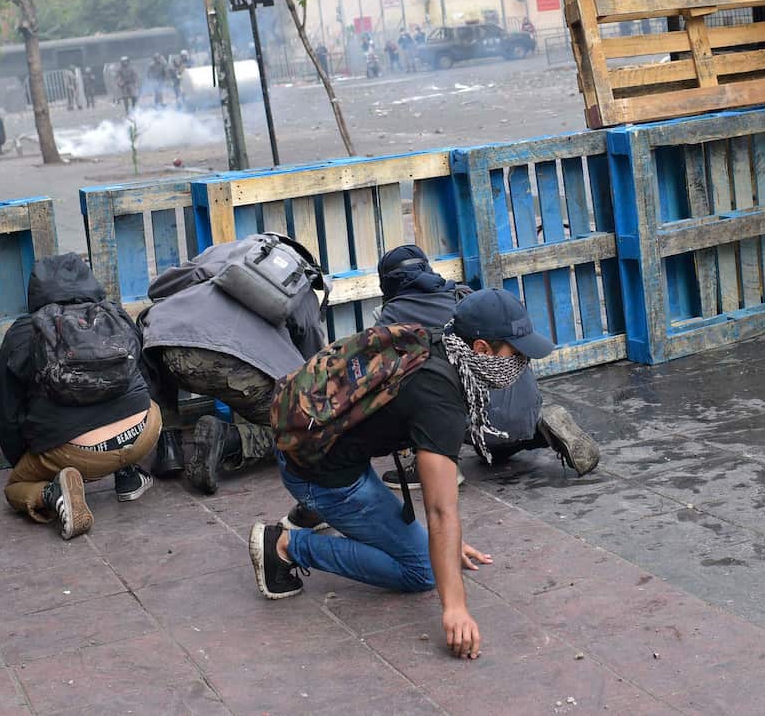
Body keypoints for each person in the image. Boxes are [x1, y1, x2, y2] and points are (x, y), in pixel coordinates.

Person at [252, 289, 555, 659]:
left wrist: (444, 543)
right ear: (482, 349)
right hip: (320, 474)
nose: (522, 363)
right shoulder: (439, 401)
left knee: (428, 546)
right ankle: (285, 546)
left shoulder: (435, 343)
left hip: (319, 449)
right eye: (516, 353)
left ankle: (318, 513)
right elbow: (440, 511)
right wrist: (455, 607)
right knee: (420, 570)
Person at [371, 245, 598, 485]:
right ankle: (537, 429)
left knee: (412, 381)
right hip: (524, 410)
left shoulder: (393, 315)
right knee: (490, 444)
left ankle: (439, 462)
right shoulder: (465, 295)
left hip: (473, 415)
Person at [0, 254, 159, 540]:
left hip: (77, 453)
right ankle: (128, 474)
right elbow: (145, 378)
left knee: (14, 488)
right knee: (133, 403)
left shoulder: (23, 332)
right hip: (143, 434)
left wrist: (31, 460)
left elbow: (3, 415)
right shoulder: (115, 315)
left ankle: (52, 492)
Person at [140, 235, 327, 495]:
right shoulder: (301, 287)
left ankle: (168, 446)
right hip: (239, 373)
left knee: (156, 330)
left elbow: (158, 288)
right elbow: (312, 367)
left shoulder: (230, 252)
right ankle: (231, 441)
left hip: (175, 353)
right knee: (307, 428)